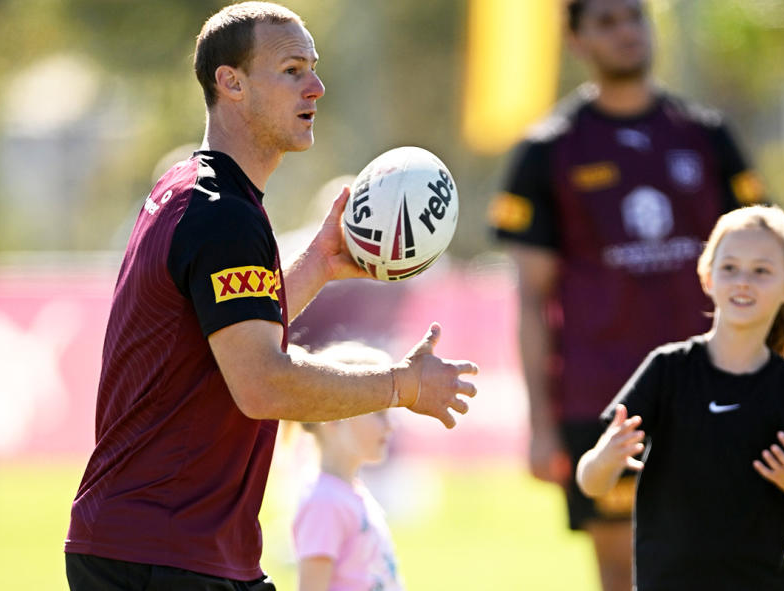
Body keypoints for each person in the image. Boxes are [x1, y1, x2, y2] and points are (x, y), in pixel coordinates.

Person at [64, 4, 478, 590]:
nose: (317, 86)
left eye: (314, 67)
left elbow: (223, 338)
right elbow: (262, 383)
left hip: (165, 546)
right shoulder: (223, 215)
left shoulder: (192, 190)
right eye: (291, 70)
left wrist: (319, 265)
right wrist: (402, 386)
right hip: (163, 552)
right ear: (229, 82)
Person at [487, 1, 764, 588]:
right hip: (603, 399)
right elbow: (531, 302)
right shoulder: (548, 151)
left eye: (634, 17)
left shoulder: (707, 137)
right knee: (625, 570)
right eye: (606, 22)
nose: (626, 33)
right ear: (576, 40)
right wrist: (541, 426)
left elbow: (763, 269)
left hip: (713, 389)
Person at [577, 205, 784, 590]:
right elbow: (591, 482)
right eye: (730, 268)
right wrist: (605, 459)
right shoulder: (667, 371)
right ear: (707, 276)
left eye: (761, 271)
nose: (743, 281)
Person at [292, 342, 404, 591]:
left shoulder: (350, 493)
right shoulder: (325, 502)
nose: (391, 424)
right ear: (334, 416)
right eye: (379, 413)